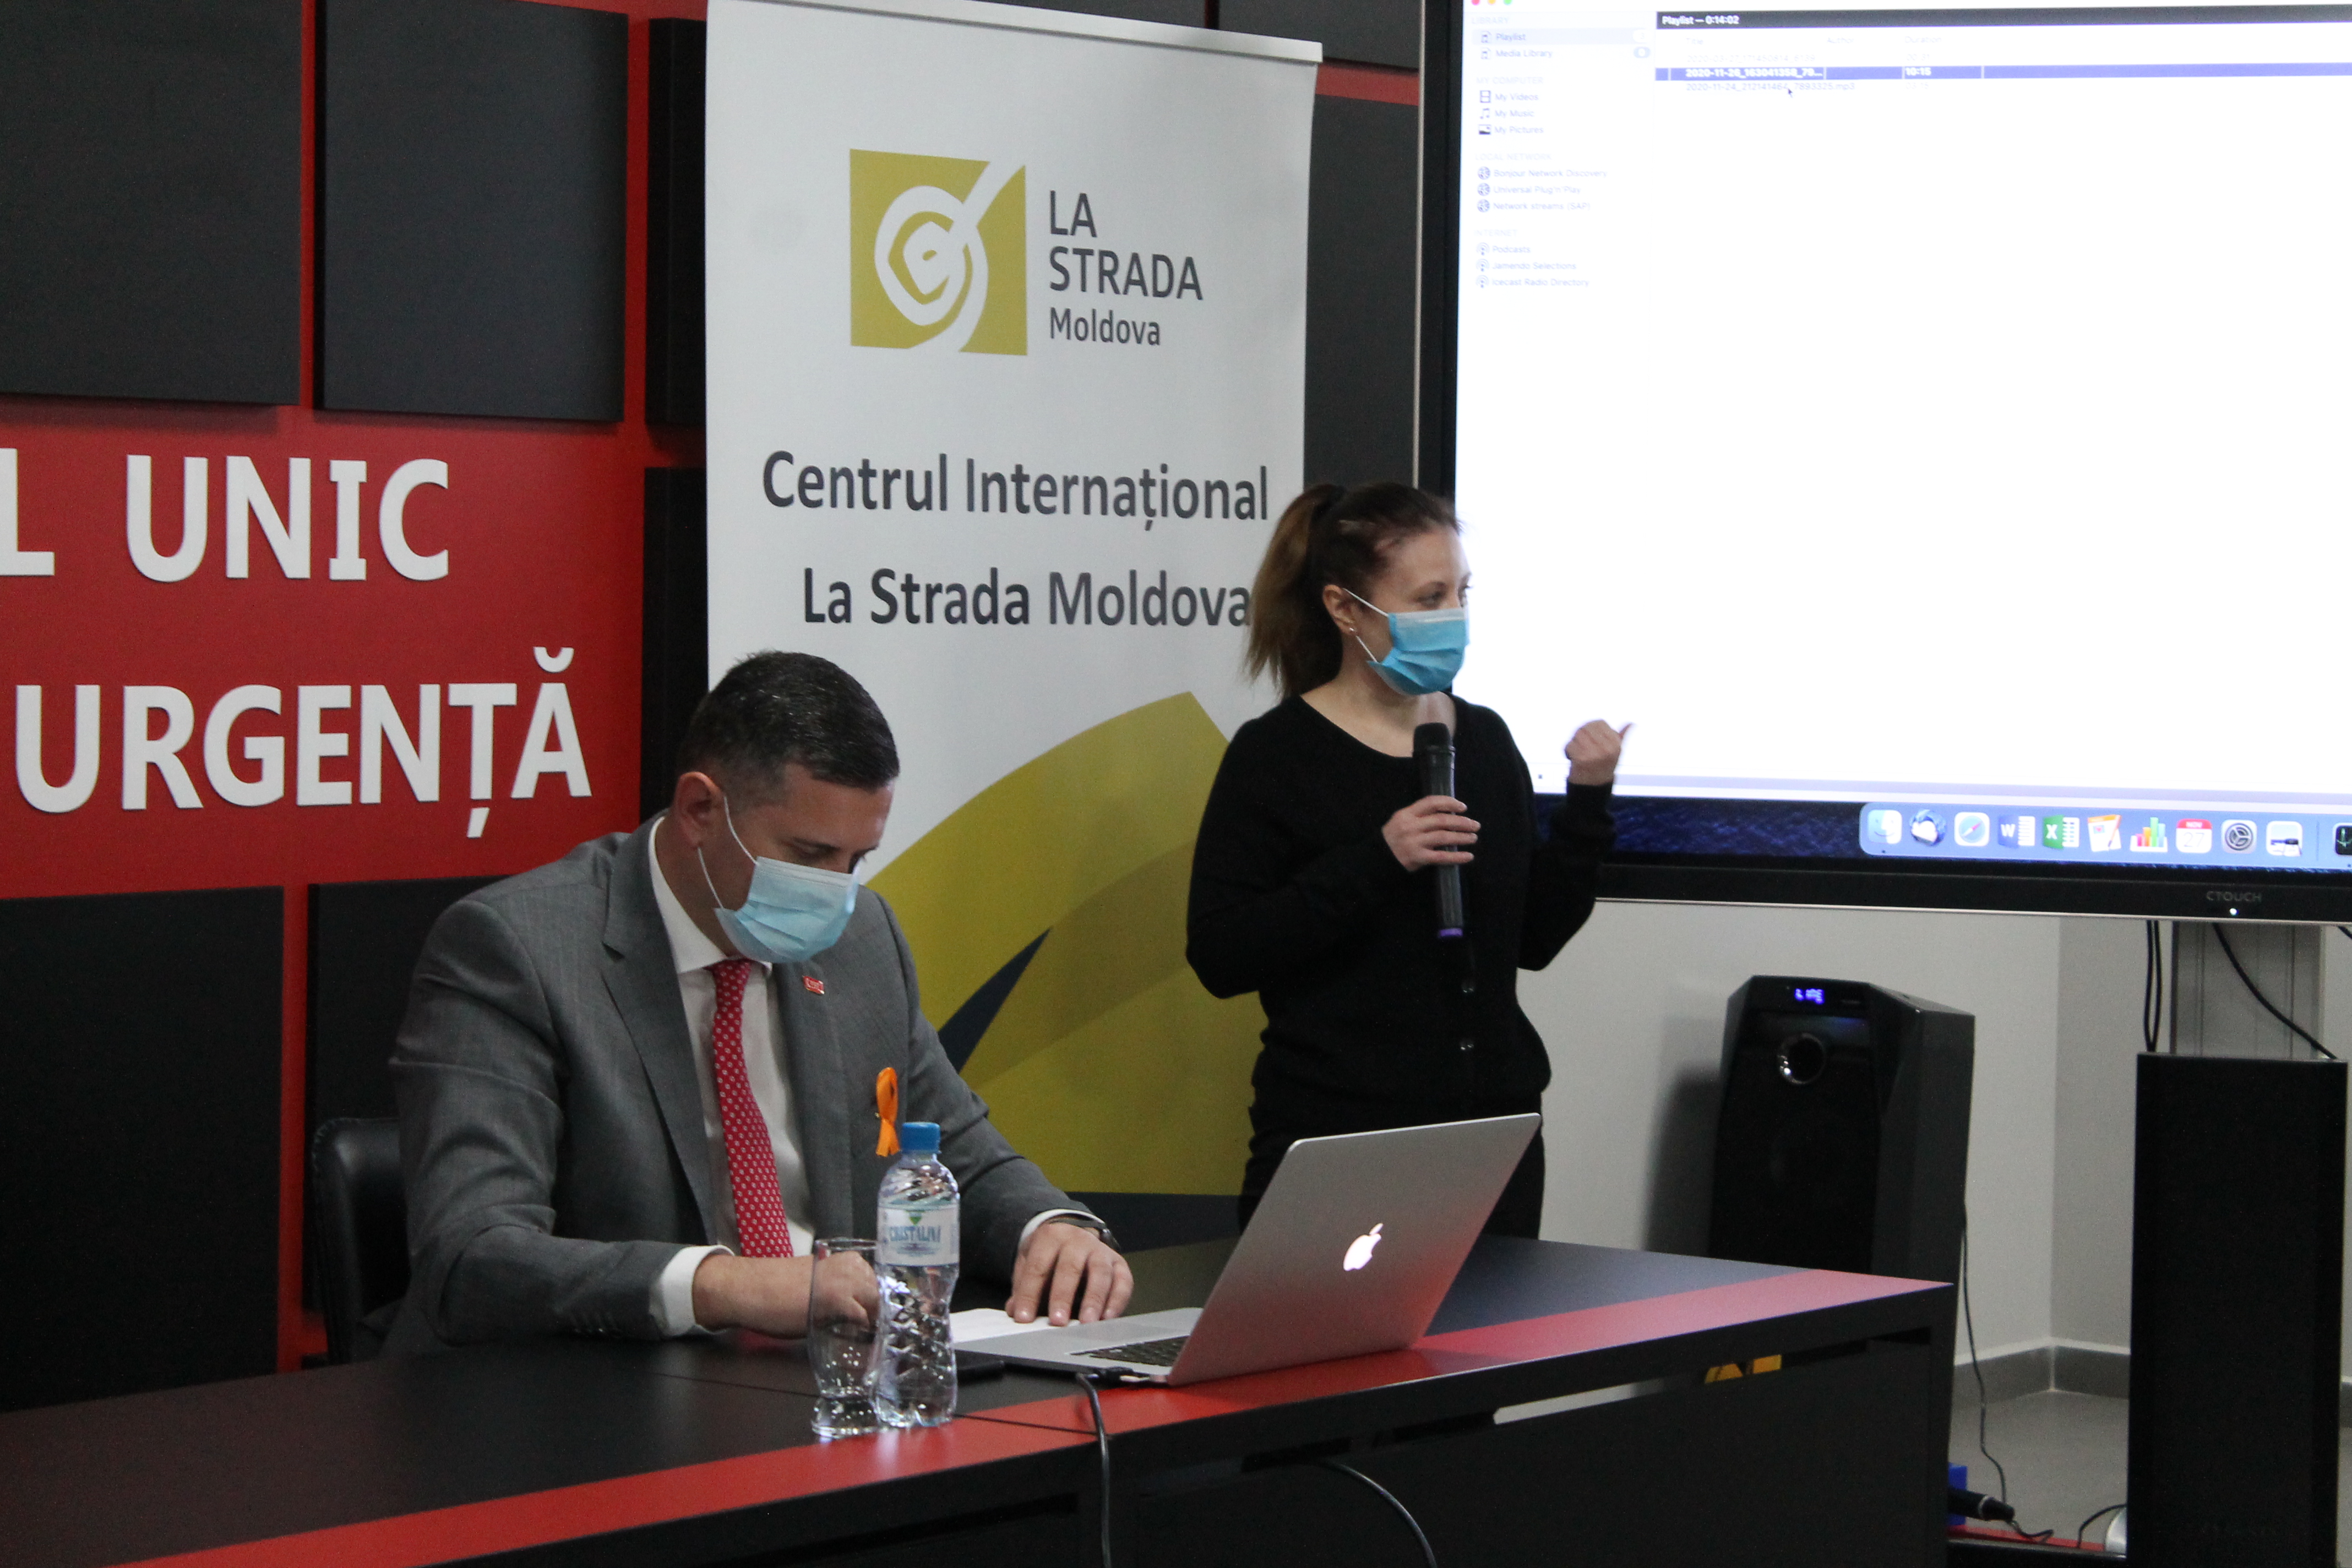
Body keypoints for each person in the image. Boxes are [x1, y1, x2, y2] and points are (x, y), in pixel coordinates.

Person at [386, 651, 1130, 1353]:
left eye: (856, 860)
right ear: (699, 809)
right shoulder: (519, 950)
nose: (837, 892)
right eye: (809, 856)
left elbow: (952, 1147)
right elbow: (474, 1255)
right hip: (599, 1390)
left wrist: (1049, 1227)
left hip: (830, 1377)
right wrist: (726, 1286)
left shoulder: (862, 938)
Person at [1186, 482, 1623, 1236]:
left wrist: (1588, 804)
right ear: (1345, 609)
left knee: (1498, 1318)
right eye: (1428, 599)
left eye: (1461, 593)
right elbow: (1222, 954)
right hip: (1339, 1138)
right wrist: (1378, 858)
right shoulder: (1277, 754)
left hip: (1491, 1134)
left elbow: (1535, 939)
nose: (1453, 616)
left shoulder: (1484, 741)